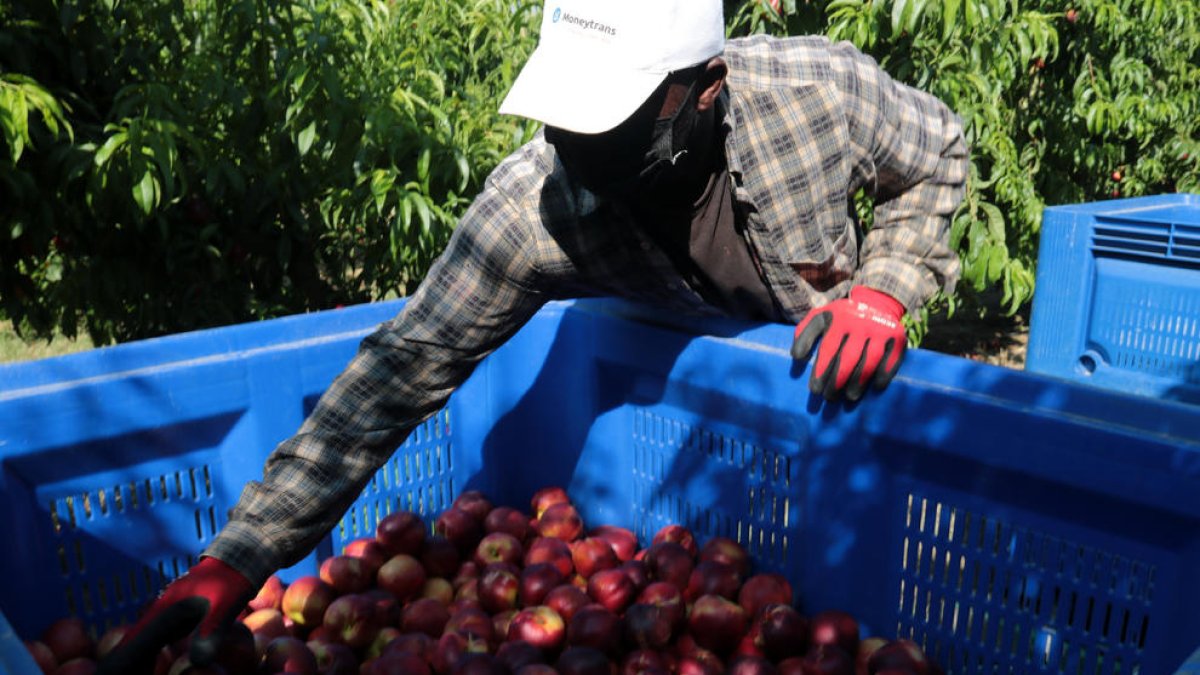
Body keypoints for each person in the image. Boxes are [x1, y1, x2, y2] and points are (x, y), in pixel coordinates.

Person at [99, 0, 967, 671]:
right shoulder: (538, 208)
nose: (579, 148)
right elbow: (397, 373)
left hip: (827, 412)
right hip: (692, 481)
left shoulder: (812, 96)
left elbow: (936, 155)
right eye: (566, 121)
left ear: (706, 86)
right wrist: (238, 557)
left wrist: (886, 287)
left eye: (615, 124)